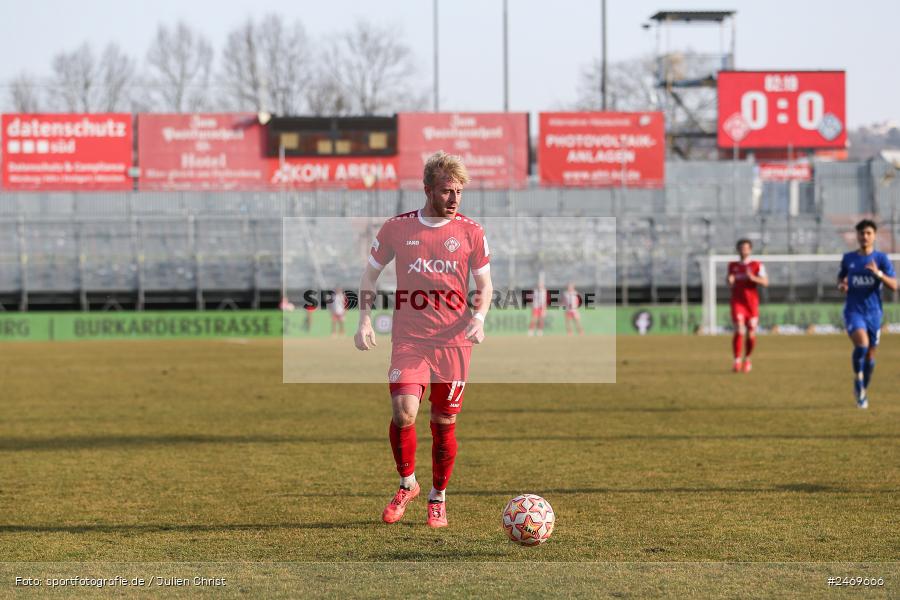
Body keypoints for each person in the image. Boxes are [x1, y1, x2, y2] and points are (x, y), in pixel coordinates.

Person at [354, 151, 493, 528]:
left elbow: (485, 285)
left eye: (460, 192)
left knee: (443, 421)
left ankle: (438, 495)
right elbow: (369, 278)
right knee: (403, 413)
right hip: (410, 338)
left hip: (453, 341)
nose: (454, 199)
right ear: (428, 189)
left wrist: (479, 317)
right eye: (448, 191)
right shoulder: (397, 228)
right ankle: (407, 484)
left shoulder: (471, 232)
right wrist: (364, 320)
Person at [837, 219, 897, 408]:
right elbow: (841, 277)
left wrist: (878, 274)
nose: (865, 236)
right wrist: (842, 284)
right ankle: (859, 381)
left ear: (874, 236)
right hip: (853, 311)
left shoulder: (881, 259)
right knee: (862, 345)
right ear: (857, 236)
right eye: (862, 233)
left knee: (871, 357)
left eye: (868, 233)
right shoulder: (849, 258)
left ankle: (862, 388)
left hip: (874, 313)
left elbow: (894, 286)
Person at [727, 239, 769, 372]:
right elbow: (729, 281)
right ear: (737, 250)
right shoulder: (732, 265)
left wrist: (753, 278)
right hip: (737, 302)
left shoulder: (757, 265)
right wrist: (729, 280)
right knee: (739, 329)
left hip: (751, 304)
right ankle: (737, 360)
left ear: (750, 250)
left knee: (751, 333)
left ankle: (748, 358)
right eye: (741, 248)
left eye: (746, 248)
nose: (743, 250)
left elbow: (766, 282)